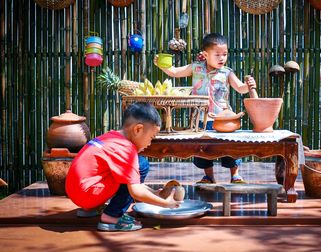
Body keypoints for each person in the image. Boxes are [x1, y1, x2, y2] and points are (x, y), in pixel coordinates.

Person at [153, 33, 256, 184]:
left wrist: (248, 85)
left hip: (223, 118)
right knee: (203, 149)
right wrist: (162, 65)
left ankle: (235, 175)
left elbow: (240, 88)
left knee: (229, 147)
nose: (222, 58)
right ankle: (209, 176)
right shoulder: (195, 68)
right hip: (200, 118)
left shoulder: (227, 72)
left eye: (225, 54)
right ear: (205, 54)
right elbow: (174, 72)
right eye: (218, 55)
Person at [66, 102, 182, 231]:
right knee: (141, 164)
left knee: (131, 170)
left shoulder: (111, 137)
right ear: (138, 129)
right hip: (88, 196)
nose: (150, 143)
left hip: (77, 193)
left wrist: (154, 193)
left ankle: (92, 208)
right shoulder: (126, 150)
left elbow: (126, 180)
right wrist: (166, 204)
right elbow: (135, 191)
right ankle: (112, 216)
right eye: (151, 137)